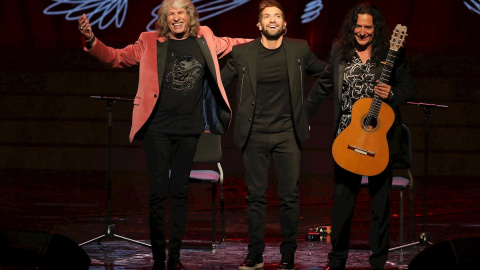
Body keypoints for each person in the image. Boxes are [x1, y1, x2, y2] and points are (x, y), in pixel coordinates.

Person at [77, 1, 251, 269]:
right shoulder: (148, 41)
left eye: (182, 12)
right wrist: (91, 39)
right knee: (158, 193)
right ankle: (159, 259)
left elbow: (238, 43)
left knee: (180, 193)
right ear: (164, 18)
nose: (176, 17)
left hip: (189, 129)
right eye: (171, 13)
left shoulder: (205, 36)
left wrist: (269, 36)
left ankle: (175, 257)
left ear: (190, 16)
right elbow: (115, 57)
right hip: (157, 128)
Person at [306, 3, 416, 270]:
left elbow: (408, 88)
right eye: (358, 26)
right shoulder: (339, 51)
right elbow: (324, 85)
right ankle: (337, 259)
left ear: (375, 28)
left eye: (368, 26)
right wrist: (301, 116)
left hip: (380, 139)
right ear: (350, 27)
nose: (363, 31)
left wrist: (390, 94)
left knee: (380, 204)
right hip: (347, 136)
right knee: (343, 202)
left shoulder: (390, 53)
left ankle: (378, 261)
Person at [221, 1, 327, 269]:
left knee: (289, 196)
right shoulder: (242, 53)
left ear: (284, 24)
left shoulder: (299, 49)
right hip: (254, 134)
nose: (272, 19)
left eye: (277, 16)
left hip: (287, 134)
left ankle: (288, 257)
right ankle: (255, 255)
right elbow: (219, 84)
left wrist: (306, 112)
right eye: (266, 16)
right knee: (255, 197)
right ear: (258, 24)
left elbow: (328, 74)